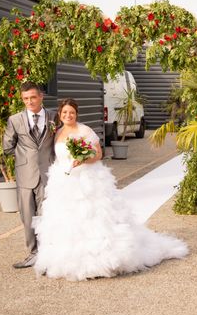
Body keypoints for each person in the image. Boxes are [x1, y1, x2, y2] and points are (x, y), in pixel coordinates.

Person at [32, 98, 187, 281]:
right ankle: (65, 259)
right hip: (63, 181)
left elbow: (98, 154)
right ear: (60, 114)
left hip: (87, 180)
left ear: (76, 114)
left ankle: (99, 260)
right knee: (66, 220)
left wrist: (83, 160)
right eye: (65, 112)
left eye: (71, 112)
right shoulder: (57, 133)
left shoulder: (84, 131)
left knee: (93, 217)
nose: (68, 115)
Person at [3, 82, 56, 269]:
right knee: (27, 217)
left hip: (48, 173)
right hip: (25, 175)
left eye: (33, 97)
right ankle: (33, 253)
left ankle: (48, 253)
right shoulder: (15, 119)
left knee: (47, 215)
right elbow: (7, 147)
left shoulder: (53, 117)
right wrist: (23, 158)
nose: (29, 101)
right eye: (25, 98)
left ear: (41, 96)